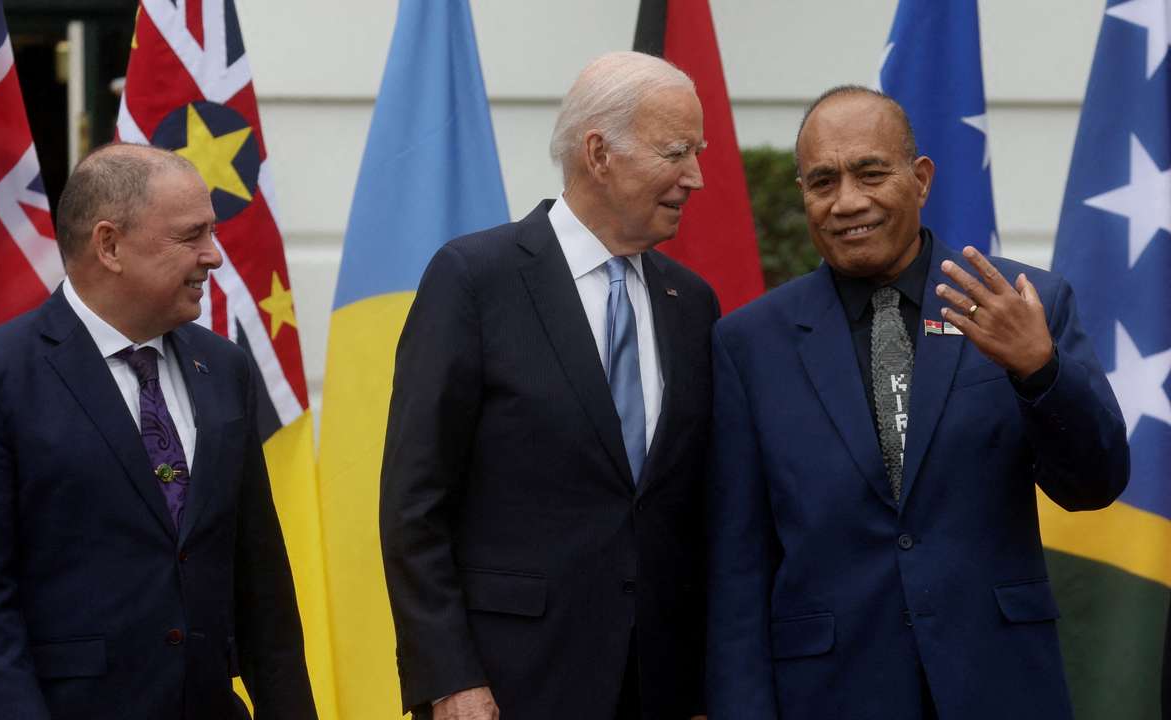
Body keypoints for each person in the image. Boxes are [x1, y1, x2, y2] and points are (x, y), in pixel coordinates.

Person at [705, 86, 1130, 720]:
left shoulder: (1020, 301)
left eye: (871, 173)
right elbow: (737, 565)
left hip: (998, 684)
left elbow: (1094, 484)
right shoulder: (750, 343)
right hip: (831, 693)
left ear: (920, 179)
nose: (848, 201)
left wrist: (1039, 371)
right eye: (823, 182)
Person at [0, 144, 316, 720]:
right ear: (109, 246)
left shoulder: (223, 367)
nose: (215, 256)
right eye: (192, 235)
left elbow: (261, 582)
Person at [380, 51, 717, 720]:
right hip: (511, 683)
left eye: (697, 152)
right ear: (599, 153)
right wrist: (448, 677)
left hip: (659, 685)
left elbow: (696, 509)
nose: (697, 178)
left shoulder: (692, 302)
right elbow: (415, 502)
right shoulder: (476, 279)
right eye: (676, 152)